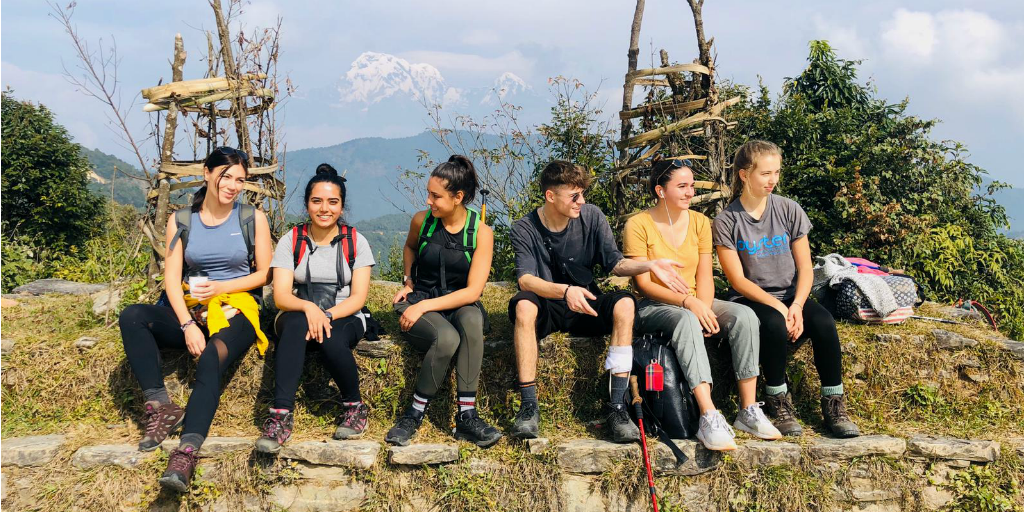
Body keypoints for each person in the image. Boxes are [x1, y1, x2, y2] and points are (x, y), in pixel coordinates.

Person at [118, 146, 272, 492]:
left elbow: (265, 274)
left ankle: (186, 452)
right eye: (226, 176)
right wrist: (187, 323)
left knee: (212, 355)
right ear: (207, 173)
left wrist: (222, 289)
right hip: (192, 307)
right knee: (133, 316)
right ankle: (160, 407)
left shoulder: (251, 218)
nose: (232, 185)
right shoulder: (182, 219)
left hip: (237, 307)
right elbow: (172, 278)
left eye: (240, 180)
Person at [507, 160, 689, 443]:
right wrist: (565, 291)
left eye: (583, 194)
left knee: (626, 304)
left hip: (587, 303)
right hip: (549, 303)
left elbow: (615, 263)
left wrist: (648, 265)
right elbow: (526, 280)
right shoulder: (524, 228)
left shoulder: (591, 216)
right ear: (550, 196)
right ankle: (528, 406)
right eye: (574, 196)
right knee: (523, 304)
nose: (581, 202)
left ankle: (617, 407)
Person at [624, 158, 782, 450]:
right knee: (685, 320)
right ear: (661, 191)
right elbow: (643, 284)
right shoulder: (638, 224)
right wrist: (688, 304)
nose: (690, 192)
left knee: (744, 316)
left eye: (692, 186)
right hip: (654, 305)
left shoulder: (699, 222)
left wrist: (704, 307)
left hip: (697, 299)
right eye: (681, 186)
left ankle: (748, 410)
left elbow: (705, 276)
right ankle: (708, 414)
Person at [713, 140, 860, 438]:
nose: (773, 180)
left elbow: (806, 268)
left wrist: (796, 305)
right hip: (751, 297)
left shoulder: (789, 209)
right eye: (765, 173)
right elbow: (738, 280)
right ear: (744, 175)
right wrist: (781, 309)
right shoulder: (727, 220)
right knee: (772, 324)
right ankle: (777, 399)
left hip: (792, 294)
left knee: (823, 322)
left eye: (776, 172)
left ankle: (834, 403)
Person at [255, 164, 374, 454]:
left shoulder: (355, 241)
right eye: (317, 201)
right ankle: (280, 417)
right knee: (295, 326)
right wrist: (309, 308)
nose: (324, 208)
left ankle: (355, 407)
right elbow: (282, 295)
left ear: (342, 206)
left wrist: (328, 314)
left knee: (330, 337)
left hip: (343, 313)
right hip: (297, 310)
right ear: (307, 203)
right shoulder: (291, 240)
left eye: (332, 202)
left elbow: (358, 296)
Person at [386, 155, 502, 447]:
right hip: (420, 295)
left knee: (473, 319)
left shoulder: (481, 233)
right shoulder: (421, 222)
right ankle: (413, 414)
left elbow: (473, 292)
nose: (429, 201)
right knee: (447, 338)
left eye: (435, 196)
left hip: (455, 301)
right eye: (429, 193)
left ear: (458, 197)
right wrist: (408, 281)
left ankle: (466, 417)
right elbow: (410, 247)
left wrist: (422, 307)